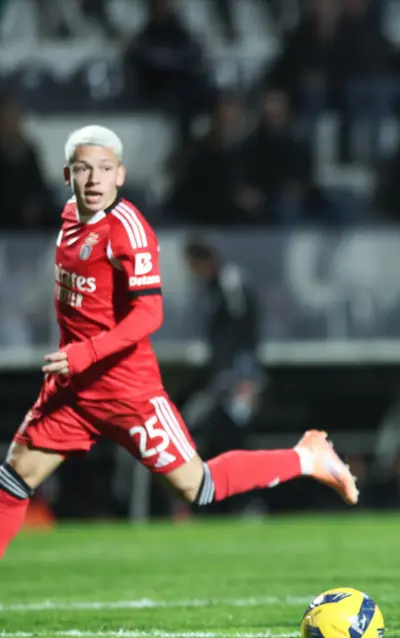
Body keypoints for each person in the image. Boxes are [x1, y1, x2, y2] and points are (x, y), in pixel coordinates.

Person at [0, 126, 358, 558]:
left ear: (120, 176)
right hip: (74, 392)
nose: (94, 179)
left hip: (127, 393)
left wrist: (86, 352)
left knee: (199, 486)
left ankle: (306, 457)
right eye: (83, 169)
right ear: (66, 175)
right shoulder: (69, 223)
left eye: (104, 169)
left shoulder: (128, 230)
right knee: (12, 483)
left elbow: (150, 313)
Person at [181, 240, 265, 514]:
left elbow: (243, 329)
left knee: (236, 434)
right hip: (224, 375)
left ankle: (246, 501)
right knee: (218, 433)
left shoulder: (230, 282)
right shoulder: (211, 289)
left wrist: (243, 373)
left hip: (238, 376)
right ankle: (225, 501)